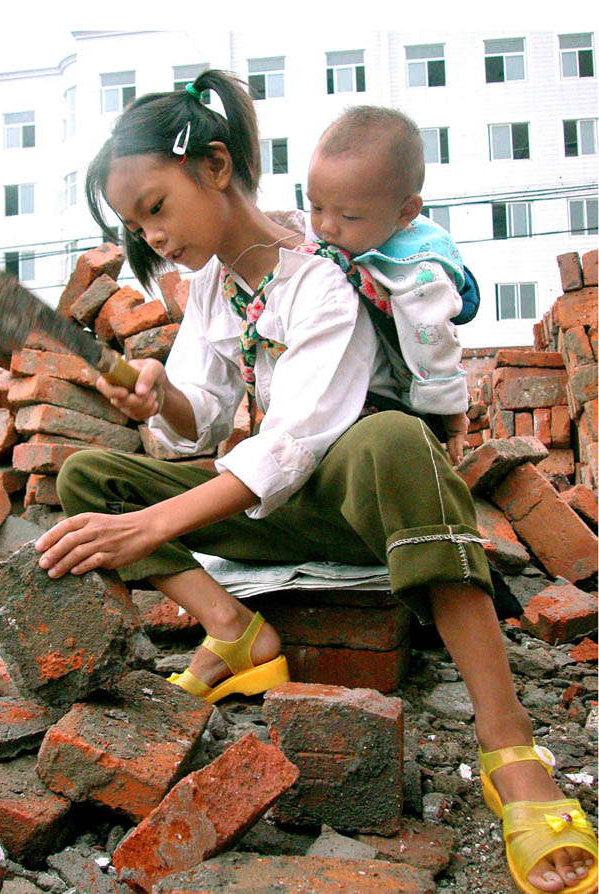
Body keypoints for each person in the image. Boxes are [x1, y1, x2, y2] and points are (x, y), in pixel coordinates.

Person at [34, 69, 596, 894]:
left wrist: (153, 529)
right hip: (283, 512)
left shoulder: (326, 270)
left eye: (155, 206)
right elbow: (202, 419)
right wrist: (159, 394)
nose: (150, 235)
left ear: (217, 167)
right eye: (132, 223)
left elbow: (294, 444)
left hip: (369, 502)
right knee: (91, 477)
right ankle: (235, 632)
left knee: (390, 439)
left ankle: (508, 744)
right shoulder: (218, 289)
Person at [300, 105, 472, 466]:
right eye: (316, 207)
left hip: (408, 404)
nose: (327, 227)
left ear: (405, 212)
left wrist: (452, 414)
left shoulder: (418, 273)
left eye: (348, 216)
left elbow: (435, 345)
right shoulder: (355, 238)